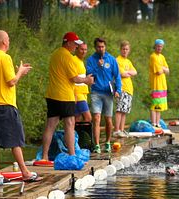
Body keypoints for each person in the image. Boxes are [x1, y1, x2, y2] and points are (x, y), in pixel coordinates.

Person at [0, 30, 37, 185]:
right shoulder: (5, 57)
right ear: (3, 42)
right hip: (6, 104)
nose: (9, 41)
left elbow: (4, 79)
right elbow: (11, 82)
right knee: (16, 139)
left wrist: (18, 72)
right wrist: (20, 72)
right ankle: (25, 172)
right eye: (8, 38)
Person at [40, 32, 93, 161]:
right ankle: (72, 155)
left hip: (52, 94)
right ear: (68, 43)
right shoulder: (68, 57)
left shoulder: (55, 54)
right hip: (64, 95)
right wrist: (87, 80)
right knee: (70, 124)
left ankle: (44, 156)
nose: (76, 46)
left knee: (50, 125)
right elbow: (74, 78)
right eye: (75, 44)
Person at [86, 37, 121, 152]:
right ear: (95, 47)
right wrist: (98, 66)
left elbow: (117, 76)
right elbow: (89, 75)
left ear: (105, 47)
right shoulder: (91, 60)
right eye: (98, 47)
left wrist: (118, 90)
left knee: (108, 119)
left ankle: (107, 142)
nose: (101, 49)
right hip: (96, 92)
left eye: (103, 46)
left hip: (108, 93)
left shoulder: (111, 59)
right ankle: (96, 145)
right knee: (96, 118)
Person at [114, 40, 137, 138]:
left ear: (129, 50)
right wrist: (128, 73)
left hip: (129, 89)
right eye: (123, 49)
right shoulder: (117, 60)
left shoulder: (128, 61)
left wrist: (128, 73)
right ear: (120, 49)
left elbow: (135, 72)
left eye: (127, 49)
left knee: (125, 111)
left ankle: (122, 129)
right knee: (119, 109)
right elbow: (122, 74)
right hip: (122, 88)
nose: (125, 51)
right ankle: (116, 130)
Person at [149, 38, 169, 127]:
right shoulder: (153, 56)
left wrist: (163, 68)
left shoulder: (162, 57)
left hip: (162, 84)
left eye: (161, 46)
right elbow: (158, 71)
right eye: (158, 46)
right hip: (156, 84)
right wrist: (163, 69)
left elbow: (168, 71)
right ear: (155, 46)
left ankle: (157, 123)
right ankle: (153, 123)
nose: (159, 48)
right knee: (155, 104)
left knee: (160, 104)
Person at [73, 41, 91, 124]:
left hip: (83, 93)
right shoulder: (73, 60)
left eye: (85, 49)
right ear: (76, 49)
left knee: (77, 119)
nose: (84, 51)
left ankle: (76, 136)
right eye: (81, 49)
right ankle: (81, 136)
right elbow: (72, 78)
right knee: (88, 118)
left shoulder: (81, 61)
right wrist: (74, 94)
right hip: (77, 94)